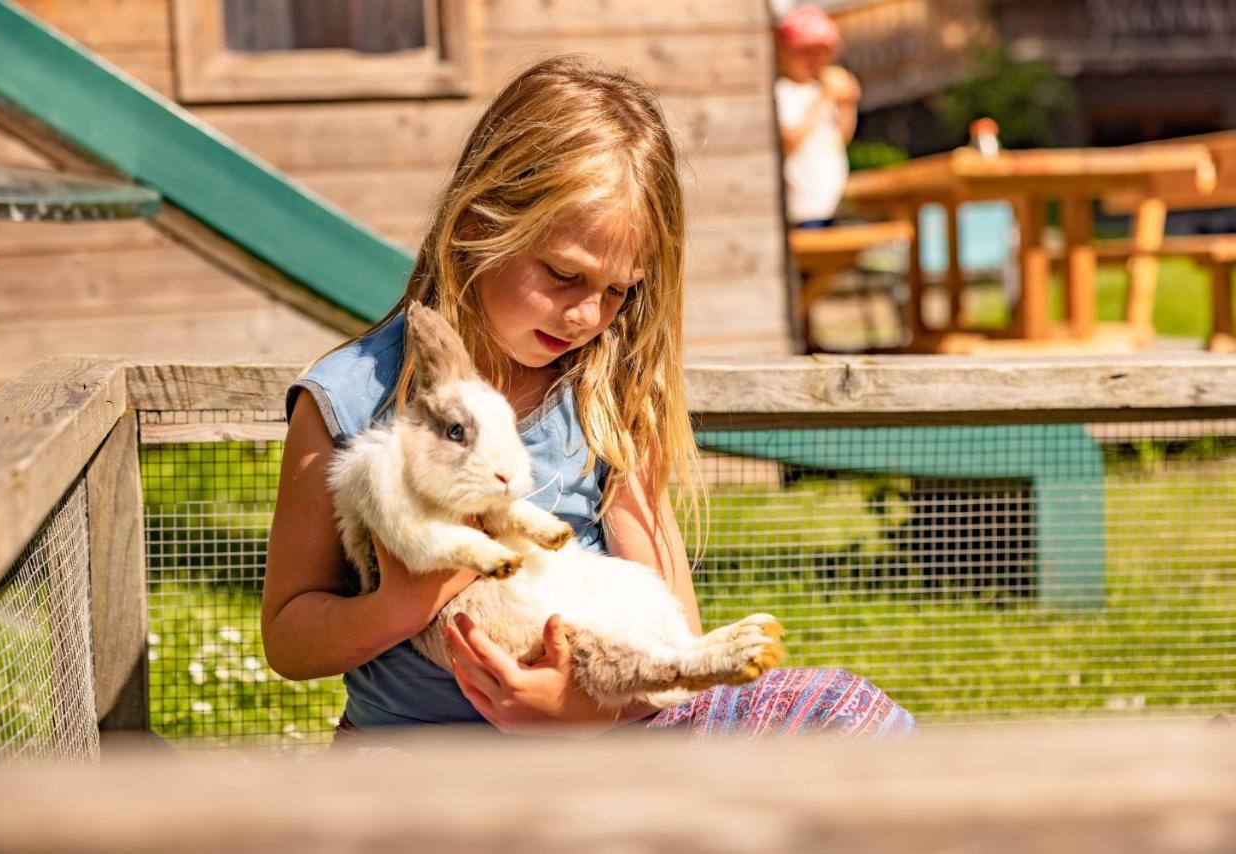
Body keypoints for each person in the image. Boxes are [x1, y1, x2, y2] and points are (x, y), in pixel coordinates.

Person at [262, 55, 913, 744]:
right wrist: (403, 604)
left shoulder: (608, 393)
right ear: (480, 222)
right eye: (565, 275)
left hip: (599, 744)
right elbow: (290, 637)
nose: (586, 315)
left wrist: (575, 710)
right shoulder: (351, 397)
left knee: (851, 718)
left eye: (617, 290)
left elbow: (675, 642)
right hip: (416, 763)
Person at [774, 4, 861, 229]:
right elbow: (790, 140)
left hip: (833, 198)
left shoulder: (821, 89)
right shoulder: (784, 91)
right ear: (784, 53)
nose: (814, 59)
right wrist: (824, 98)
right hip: (804, 204)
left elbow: (843, 138)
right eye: (805, 51)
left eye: (820, 53)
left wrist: (847, 106)